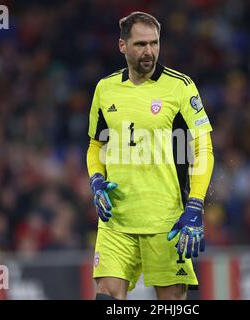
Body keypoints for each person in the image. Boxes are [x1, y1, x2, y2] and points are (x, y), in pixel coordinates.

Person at [86, 11, 214, 300]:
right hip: (116, 219)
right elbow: (96, 146)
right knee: (106, 296)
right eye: (141, 44)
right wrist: (96, 180)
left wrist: (195, 205)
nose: (149, 51)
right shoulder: (105, 90)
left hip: (166, 222)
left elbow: (202, 147)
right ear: (123, 46)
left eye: (154, 43)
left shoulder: (180, 87)